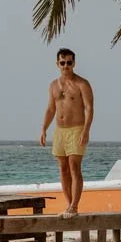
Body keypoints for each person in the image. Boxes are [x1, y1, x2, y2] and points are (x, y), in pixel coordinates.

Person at [38, 47, 93, 215]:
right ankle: (69, 205)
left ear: (74, 63)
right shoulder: (53, 85)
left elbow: (89, 108)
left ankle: (75, 206)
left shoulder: (82, 84)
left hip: (76, 129)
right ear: (57, 64)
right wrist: (44, 129)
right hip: (59, 131)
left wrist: (86, 130)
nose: (66, 66)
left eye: (69, 62)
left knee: (74, 166)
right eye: (62, 63)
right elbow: (50, 109)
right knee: (63, 168)